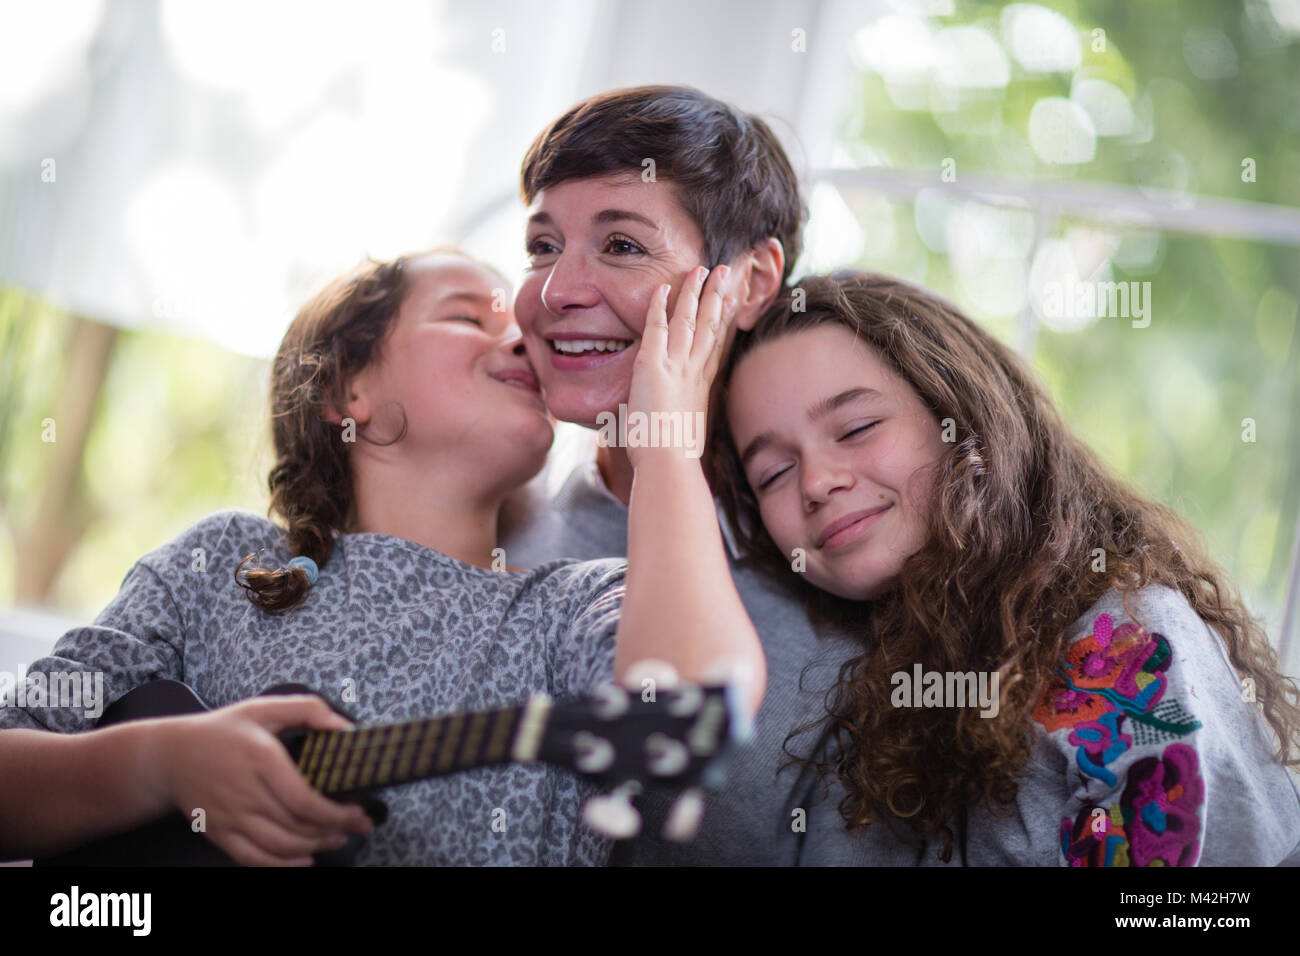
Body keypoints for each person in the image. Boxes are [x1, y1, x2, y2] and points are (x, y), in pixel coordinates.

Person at [0, 248, 764, 867]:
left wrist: (666, 437)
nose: (520, 337)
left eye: (519, 326)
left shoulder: (570, 611)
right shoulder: (220, 565)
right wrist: (157, 766)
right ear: (347, 387)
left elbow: (694, 692)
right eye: (469, 315)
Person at [711, 270, 1300, 865]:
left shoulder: (1123, 638)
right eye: (774, 474)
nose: (815, 481)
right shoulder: (877, 675)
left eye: (857, 428)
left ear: (961, 419)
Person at [497, 84, 862, 865]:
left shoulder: (841, 543)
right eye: (542, 247)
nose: (557, 291)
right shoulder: (502, 530)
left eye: (622, 245)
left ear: (752, 282)